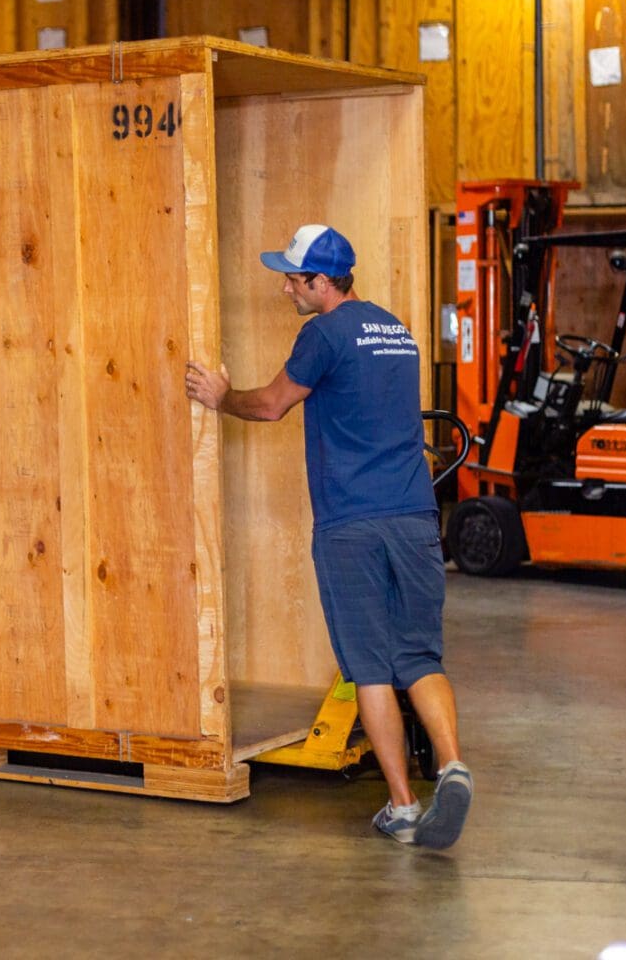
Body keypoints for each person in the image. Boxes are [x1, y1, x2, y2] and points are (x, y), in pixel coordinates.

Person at [183, 223, 473, 850]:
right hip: (415, 515)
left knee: (370, 669)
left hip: (353, 525)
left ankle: (401, 806)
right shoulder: (396, 330)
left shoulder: (322, 334)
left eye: (292, 278)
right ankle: (452, 766)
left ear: (320, 282)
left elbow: (271, 406)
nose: (286, 288)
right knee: (421, 656)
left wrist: (221, 396)